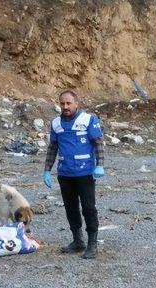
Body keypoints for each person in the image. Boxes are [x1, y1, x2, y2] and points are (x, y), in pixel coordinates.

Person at [43, 90, 105, 259]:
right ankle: (78, 241)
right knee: (71, 209)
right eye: (62, 103)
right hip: (65, 174)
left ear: (76, 104)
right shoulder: (56, 123)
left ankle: (92, 244)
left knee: (89, 208)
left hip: (85, 173)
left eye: (69, 103)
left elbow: (98, 143)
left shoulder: (88, 120)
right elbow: (53, 147)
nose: (65, 106)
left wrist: (100, 165)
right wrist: (47, 169)